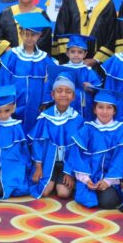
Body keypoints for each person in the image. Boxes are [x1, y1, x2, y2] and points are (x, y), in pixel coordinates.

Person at [66, 88, 123, 209]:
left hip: (109, 179)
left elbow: (119, 161)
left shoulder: (121, 131)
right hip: (89, 177)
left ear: (114, 111)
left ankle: (106, 189)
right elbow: (79, 157)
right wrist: (86, 179)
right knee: (87, 198)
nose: (104, 111)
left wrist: (107, 182)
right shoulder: (87, 129)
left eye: (109, 108)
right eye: (100, 107)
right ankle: (84, 185)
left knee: (108, 202)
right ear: (94, 109)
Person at [28, 68, 84, 199]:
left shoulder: (77, 119)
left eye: (68, 91)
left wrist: (70, 172)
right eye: (59, 91)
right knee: (44, 191)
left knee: (63, 193)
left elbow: (77, 149)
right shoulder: (45, 117)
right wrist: (38, 167)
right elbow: (37, 144)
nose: (63, 94)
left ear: (73, 96)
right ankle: (52, 180)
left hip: (67, 164)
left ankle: (65, 180)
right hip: (48, 162)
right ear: (52, 95)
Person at [0, 12, 55, 132]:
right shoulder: (11, 56)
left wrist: (45, 101)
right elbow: (4, 80)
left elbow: (48, 82)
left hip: (36, 104)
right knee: (14, 131)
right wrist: (6, 101)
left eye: (33, 35)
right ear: (20, 33)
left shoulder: (44, 59)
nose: (29, 38)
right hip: (14, 103)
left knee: (33, 130)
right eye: (26, 34)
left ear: (39, 35)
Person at [53, 0, 117, 65]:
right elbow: (61, 28)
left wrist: (96, 59)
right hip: (70, 59)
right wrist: (70, 54)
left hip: (94, 61)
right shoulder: (70, 0)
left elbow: (111, 34)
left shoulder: (108, 4)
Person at [0, 86, 31, 199]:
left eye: (7, 110)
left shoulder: (17, 126)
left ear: (13, 108)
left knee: (15, 187)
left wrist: (28, 167)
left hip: (15, 164)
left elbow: (24, 151)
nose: (2, 115)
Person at [0, 0, 52, 64]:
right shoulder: (6, 14)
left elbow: (45, 40)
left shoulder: (41, 14)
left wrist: (28, 53)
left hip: (34, 61)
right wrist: (8, 50)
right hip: (10, 60)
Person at [57, 34, 102, 121]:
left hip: (85, 105)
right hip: (66, 102)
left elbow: (97, 88)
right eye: (73, 51)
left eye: (80, 52)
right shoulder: (62, 69)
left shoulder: (88, 71)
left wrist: (91, 87)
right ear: (67, 53)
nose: (76, 55)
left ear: (85, 54)